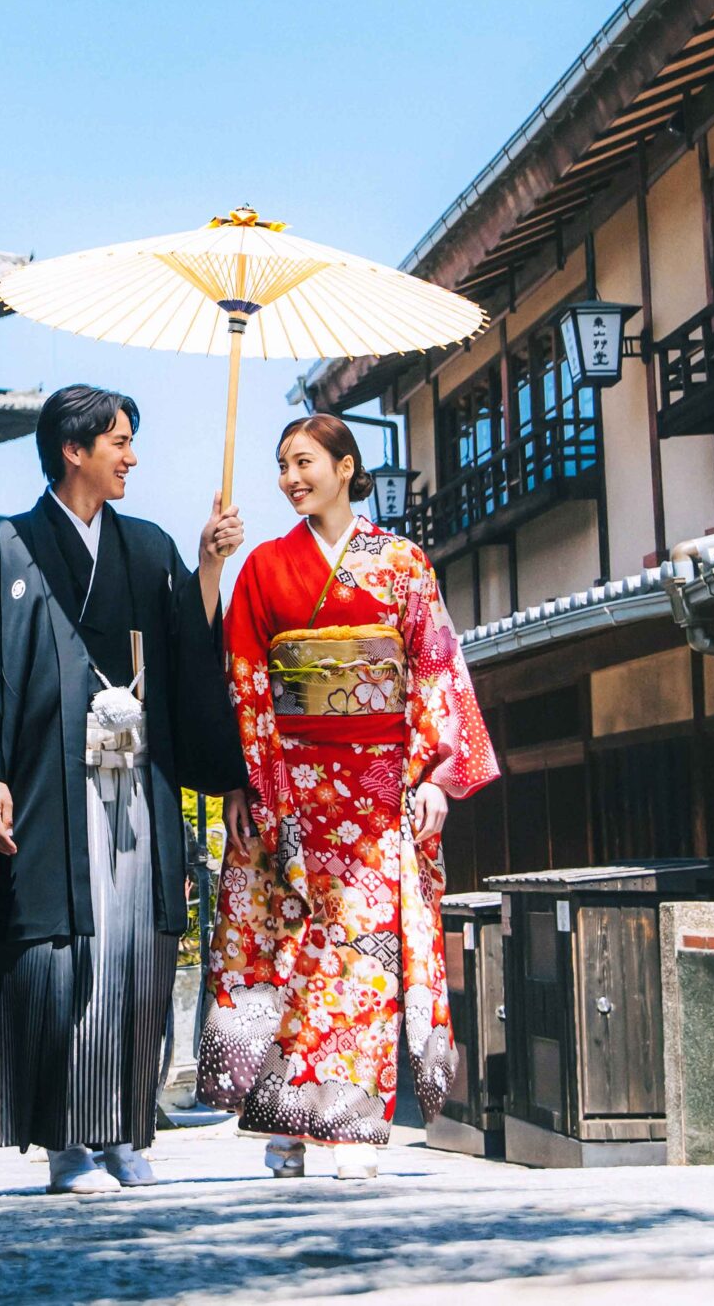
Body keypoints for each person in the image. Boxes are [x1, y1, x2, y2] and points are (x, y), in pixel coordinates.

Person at [0, 385, 248, 1194]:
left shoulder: (147, 549)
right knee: (61, 957)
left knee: (135, 952)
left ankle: (124, 1129)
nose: (132, 456)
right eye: (119, 441)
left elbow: (185, 658)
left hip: (134, 789)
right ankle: (65, 1142)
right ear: (73, 450)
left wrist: (208, 563)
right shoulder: (5, 549)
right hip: (47, 789)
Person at [196, 413, 498, 1180]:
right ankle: (289, 1126)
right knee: (293, 954)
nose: (290, 477)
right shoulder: (263, 568)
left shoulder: (402, 562)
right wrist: (242, 779)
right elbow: (242, 682)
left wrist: (437, 777)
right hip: (289, 789)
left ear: (345, 464)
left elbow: (435, 670)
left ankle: (354, 1127)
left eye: (304, 462)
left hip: (375, 793)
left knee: (365, 959)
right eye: (282, 464)